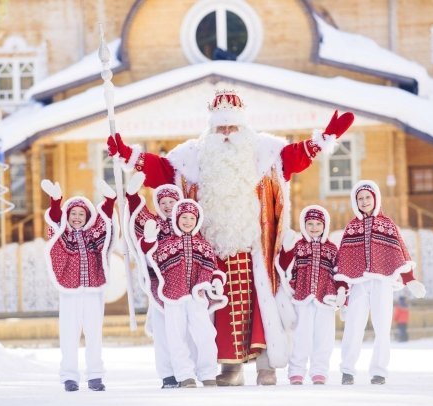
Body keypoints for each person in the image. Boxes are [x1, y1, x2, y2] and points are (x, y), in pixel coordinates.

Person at [107, 88, 354, 386]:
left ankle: (266, 366)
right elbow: (160, 169)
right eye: (220, 127)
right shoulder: (192, 156)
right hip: (210, 249)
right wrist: (127, 155)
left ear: (243, 127)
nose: (225, 133)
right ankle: (229, 367)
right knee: (220, 311)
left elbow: (294, 156)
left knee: (263, 307)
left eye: (231, 127)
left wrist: (324, 138)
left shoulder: (264, 152)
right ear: (211, 128)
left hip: (256, 247)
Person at [335, 180, 426, 385]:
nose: (364, 201)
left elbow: (398, 253)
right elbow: (343, 261)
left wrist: (409, 279)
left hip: (382, 282)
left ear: (375, 198)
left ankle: (379, 371)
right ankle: (348, 369)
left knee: (382, 326)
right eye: (360, 198)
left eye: (368, 197)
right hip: (359, 284)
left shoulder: (387, 224)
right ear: (355, 202)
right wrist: (343, 289)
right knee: (353, 326)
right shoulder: (351, 227)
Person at [140, 199, 228, 388]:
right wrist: (148, 242)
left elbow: (212, 267)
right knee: (176, 336)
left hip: (197, 296)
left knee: (205, 334)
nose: (187, 221)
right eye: (183, 218)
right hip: (173, 296)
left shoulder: (202, 245)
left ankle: (208, 372)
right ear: (176, 219)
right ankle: (184, 374)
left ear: (197, 220)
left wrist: (217, 282)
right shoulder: (167, 245)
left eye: (191, 218)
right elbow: (151, 261)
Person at [41, 178, 116, 392]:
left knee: (94, 333)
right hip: (70, 290)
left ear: (87, 216)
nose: (76, 218)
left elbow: (107, 224)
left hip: (93, 290)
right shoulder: (61, 233)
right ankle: (69, 376)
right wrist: (56, 202)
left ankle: (95, 375)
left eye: (81, 214)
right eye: (73, 213)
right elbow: (54, 221)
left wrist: (110, 201)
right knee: (69, 333)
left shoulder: (94, 234)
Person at [124, 171, 186, 389]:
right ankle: (168, 374)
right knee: (162, 332)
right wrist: (132, 196)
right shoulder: (154, 223)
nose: (168, 205)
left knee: (184, 331)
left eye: (172, 201)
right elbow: (137, 217)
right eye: (164, 202)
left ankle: (186, 371)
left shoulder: (188, 222)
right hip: (160, 284)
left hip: (185, 286)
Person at [276, 205, 345, 385]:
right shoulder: (298, 246)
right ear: (304, 225)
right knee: (302, 335)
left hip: (326, 297)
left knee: (324, 336)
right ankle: (296, 371)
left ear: (325, 225)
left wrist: (341, 289)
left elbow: (338, 271)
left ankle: (319, 371)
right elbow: (285, 266)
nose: (314, 228)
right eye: (310, 224)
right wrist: (286, 248)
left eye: (318, 224)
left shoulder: (331, 248)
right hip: (303, 295)